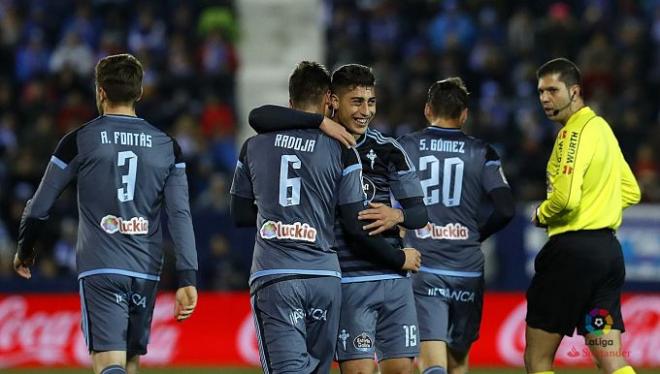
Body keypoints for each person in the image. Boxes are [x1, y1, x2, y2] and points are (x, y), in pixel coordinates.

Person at [13, 54, 198, 374]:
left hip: (102, 265)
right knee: (129, 362)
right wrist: (187, 277)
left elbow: (40, 206)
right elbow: (180, 214)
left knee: (107, 363)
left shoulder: (79, 140)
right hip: (146, 268)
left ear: (100, 91)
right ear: (140, 92)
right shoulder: (168, 147)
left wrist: (25, 249)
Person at [230, 61, 420, 374]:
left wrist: (278, 218)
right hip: (327, 278)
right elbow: (355, 224)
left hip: (276, 272)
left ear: (291, 103)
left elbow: (239, 214)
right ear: (328, 100)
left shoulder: (254, 145)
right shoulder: (341, 148)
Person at [525, 57, 641, 374]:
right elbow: (631, 191)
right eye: (540, 92)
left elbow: (565, 198)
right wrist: (598, 204)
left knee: (537, 359)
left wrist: (541, 214)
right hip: (606, 257)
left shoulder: (571, 135)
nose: (545, 98)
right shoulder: (602, 127)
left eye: (553, 90)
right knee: (610, 357)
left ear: (575, 91)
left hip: (571, 259)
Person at [397, 77, 514, 374]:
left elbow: (391, 205)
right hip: (467, 270)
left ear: (427, 110)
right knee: (458, 360)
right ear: (464, 115)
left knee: (431, 362)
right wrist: (476, 234)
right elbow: (506, 209)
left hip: (425, 265)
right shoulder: (483, 152)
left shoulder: (406, 147)